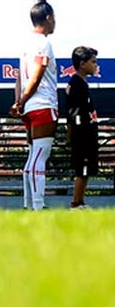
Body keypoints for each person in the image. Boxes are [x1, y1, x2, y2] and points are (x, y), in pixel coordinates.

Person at [10, 0, 58, 211]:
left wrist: (19, 102)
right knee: (40, 156)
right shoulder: (43, 43)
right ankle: (38, 205)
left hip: (29, 106)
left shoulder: (25, 44)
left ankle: (29, 204)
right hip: (41, 103)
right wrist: (24, 99)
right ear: (48, 18)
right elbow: (37, 74)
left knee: (32, 157)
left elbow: (19, 77)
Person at [66, 46, 99, 209]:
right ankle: (76, 203)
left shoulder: (82, 84)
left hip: (88, 134)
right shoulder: (76, 84)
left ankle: (81, 202)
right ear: (82, 63)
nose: (95, 65)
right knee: (82, 170)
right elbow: (74, 114)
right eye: (93, 62)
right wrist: (79, 134)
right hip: (82, 136)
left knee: (87, 170)